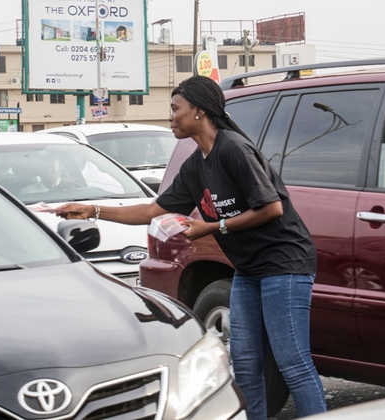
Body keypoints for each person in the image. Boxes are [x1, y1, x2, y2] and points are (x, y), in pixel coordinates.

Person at [52, 75, 327, 419]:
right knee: (245, 362)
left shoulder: (233, 149)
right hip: (249, 268)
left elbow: (271, 208)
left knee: (292, 361)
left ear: (198, 111)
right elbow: (153, 210)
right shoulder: (197, 164)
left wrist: (212, 227)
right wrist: (92, 210)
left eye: (175, 108)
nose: (170, 116)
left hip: (285, 263)